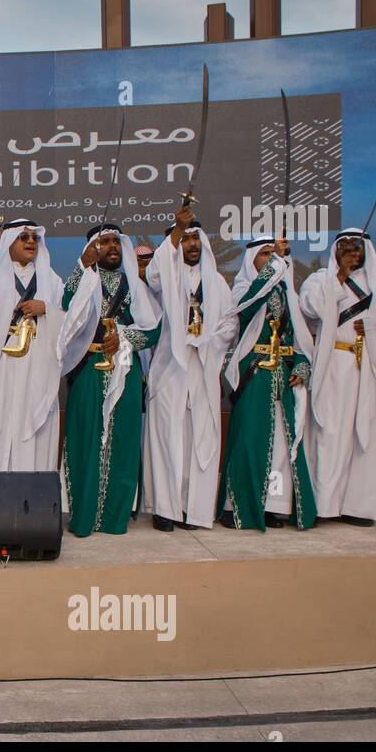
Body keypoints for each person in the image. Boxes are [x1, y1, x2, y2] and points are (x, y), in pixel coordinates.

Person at [299, 228, 376, 526]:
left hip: (369, 369)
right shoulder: (320, 280)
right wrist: (338, 278)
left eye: (356, 247)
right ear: (336, 250)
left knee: (367, 438)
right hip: (334, 365)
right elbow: (309, 309)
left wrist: (375, 329)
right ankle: (324, 505)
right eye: (345, 246)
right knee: (329, 434)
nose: (351, 251)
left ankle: (358, 507)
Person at [56, 223, 161, 536]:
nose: (112, 246)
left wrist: (125, 337)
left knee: (123, 440)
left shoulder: (135, 286)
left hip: (125, 370)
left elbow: (153, 328)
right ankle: (83, 516)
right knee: (85, 438)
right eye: (105, 242)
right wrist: (82, 266)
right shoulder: (84, 279)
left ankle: (115, 517)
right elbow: (66, 304)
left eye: (117, 241)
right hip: (87, 366)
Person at [142, 208, 237, 531]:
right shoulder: (167, 274)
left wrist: (205, 341)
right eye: (186, 238)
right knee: (168, 438)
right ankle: (166, 510)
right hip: (170, 370)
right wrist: (177, 231)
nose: (192, 244)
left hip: (202, 368)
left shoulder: (218, 284)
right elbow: (154, 274)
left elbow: (229, 324)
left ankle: (192, 509)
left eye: (197, 238)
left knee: (199, 440)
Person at [218, 236, 317, 530]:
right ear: (252, 260)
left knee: (281, 444)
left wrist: (301, 364)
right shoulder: (242, 289)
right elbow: (247, 309)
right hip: (255, 373)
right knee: (249, 440)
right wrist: (276, 266)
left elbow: (299, 335)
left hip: (282, 377)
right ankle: (236, 505)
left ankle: (274, 505)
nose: (270, 259)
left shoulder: (288, 293)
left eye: (273, 255)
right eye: (264, 255)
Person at [0, 218, 64, 473]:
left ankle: (32, 501)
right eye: (23, 237)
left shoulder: (51, 279)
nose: (30, 242)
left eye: (34, 238)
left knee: (33, 430)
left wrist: (47, 309)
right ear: (9, 241)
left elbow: (70, 324)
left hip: (37, 366)